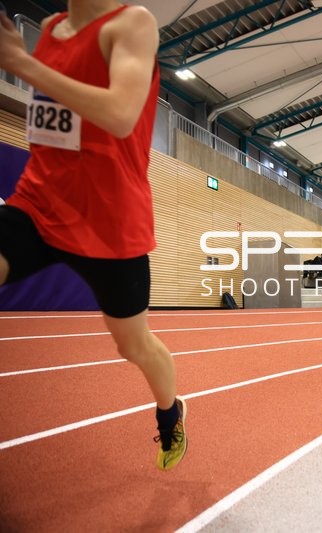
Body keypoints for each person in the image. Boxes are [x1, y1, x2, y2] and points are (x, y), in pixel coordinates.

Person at [0, 1, 186, 470]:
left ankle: (170, 412)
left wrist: (20, 63)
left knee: (133, 346)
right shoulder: (50, 28)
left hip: (110, 222)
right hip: (39, 203)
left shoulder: (132, 24)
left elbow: (121, 114)